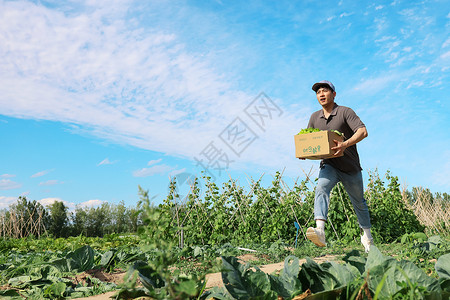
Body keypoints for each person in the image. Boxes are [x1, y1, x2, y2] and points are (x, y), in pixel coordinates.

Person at [303, 80, 374, 253]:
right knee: (321, 187)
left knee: (359, 203)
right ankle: (320, 230)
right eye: (318, 91)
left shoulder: (345, 112)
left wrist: (345, 144)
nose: (321, 94)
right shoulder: (314, 117)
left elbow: (363, 131)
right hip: (329, 164)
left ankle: (367, 238)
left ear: (333, 94)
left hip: (350, 167)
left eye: (325, 90)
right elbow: (310, 140)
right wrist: (306, 152)